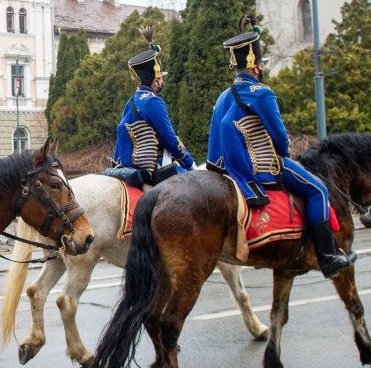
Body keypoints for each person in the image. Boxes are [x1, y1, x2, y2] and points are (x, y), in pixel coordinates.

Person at [207, 19, 352, 279]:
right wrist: (283, 153)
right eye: (260, 63)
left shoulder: (224, 95)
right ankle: (327, 256)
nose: (261, 68)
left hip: (229, 167)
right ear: (254, 65)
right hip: (263, 166)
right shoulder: (262, 94)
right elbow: (280, 137)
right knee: (318, 190)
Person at [109, 26, 194, 184]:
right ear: (156, 80)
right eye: (161, 77)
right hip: (153, 168)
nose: (162, 81)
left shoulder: (133, 100)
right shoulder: (153, 102)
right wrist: (189, 163)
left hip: (129, 165)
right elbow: (169, 139)